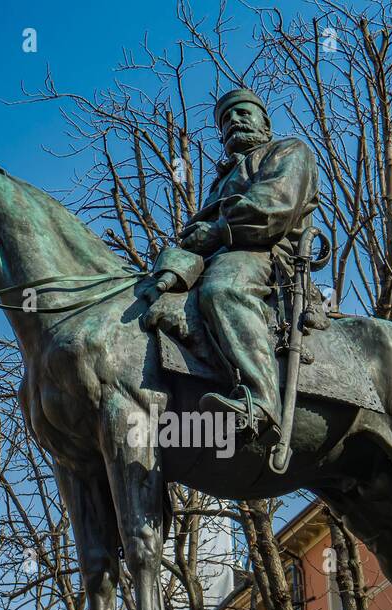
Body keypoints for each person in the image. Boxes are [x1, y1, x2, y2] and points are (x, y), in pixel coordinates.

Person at [143, 88, 319, 437]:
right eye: (226, 119)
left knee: (224, 289)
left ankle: (261, 399)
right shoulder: (219, 182)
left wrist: (218, 230)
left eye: (242, 113)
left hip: (267, 254)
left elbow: (274, 207)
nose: (234, 121)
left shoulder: (289, 151)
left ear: (264, 123)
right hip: (216, 255)